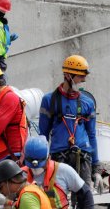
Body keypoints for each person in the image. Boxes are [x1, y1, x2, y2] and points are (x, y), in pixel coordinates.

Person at [21, 136, 96, 209]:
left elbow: (85, 194)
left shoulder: (63, 171)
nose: (36, 169)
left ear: (49, 157)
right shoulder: (20, 176)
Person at [38, 55, 98, 184]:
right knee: (59, 200)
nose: (83, 80)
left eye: (84, 77)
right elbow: (43, 134)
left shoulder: (87, 102)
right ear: (67, 75)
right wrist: (42, 161)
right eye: (80, 77)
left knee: (85, 199)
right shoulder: (49, 100)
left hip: (83, 157)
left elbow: (92, 134)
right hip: (59, 158)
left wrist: (96, 168)